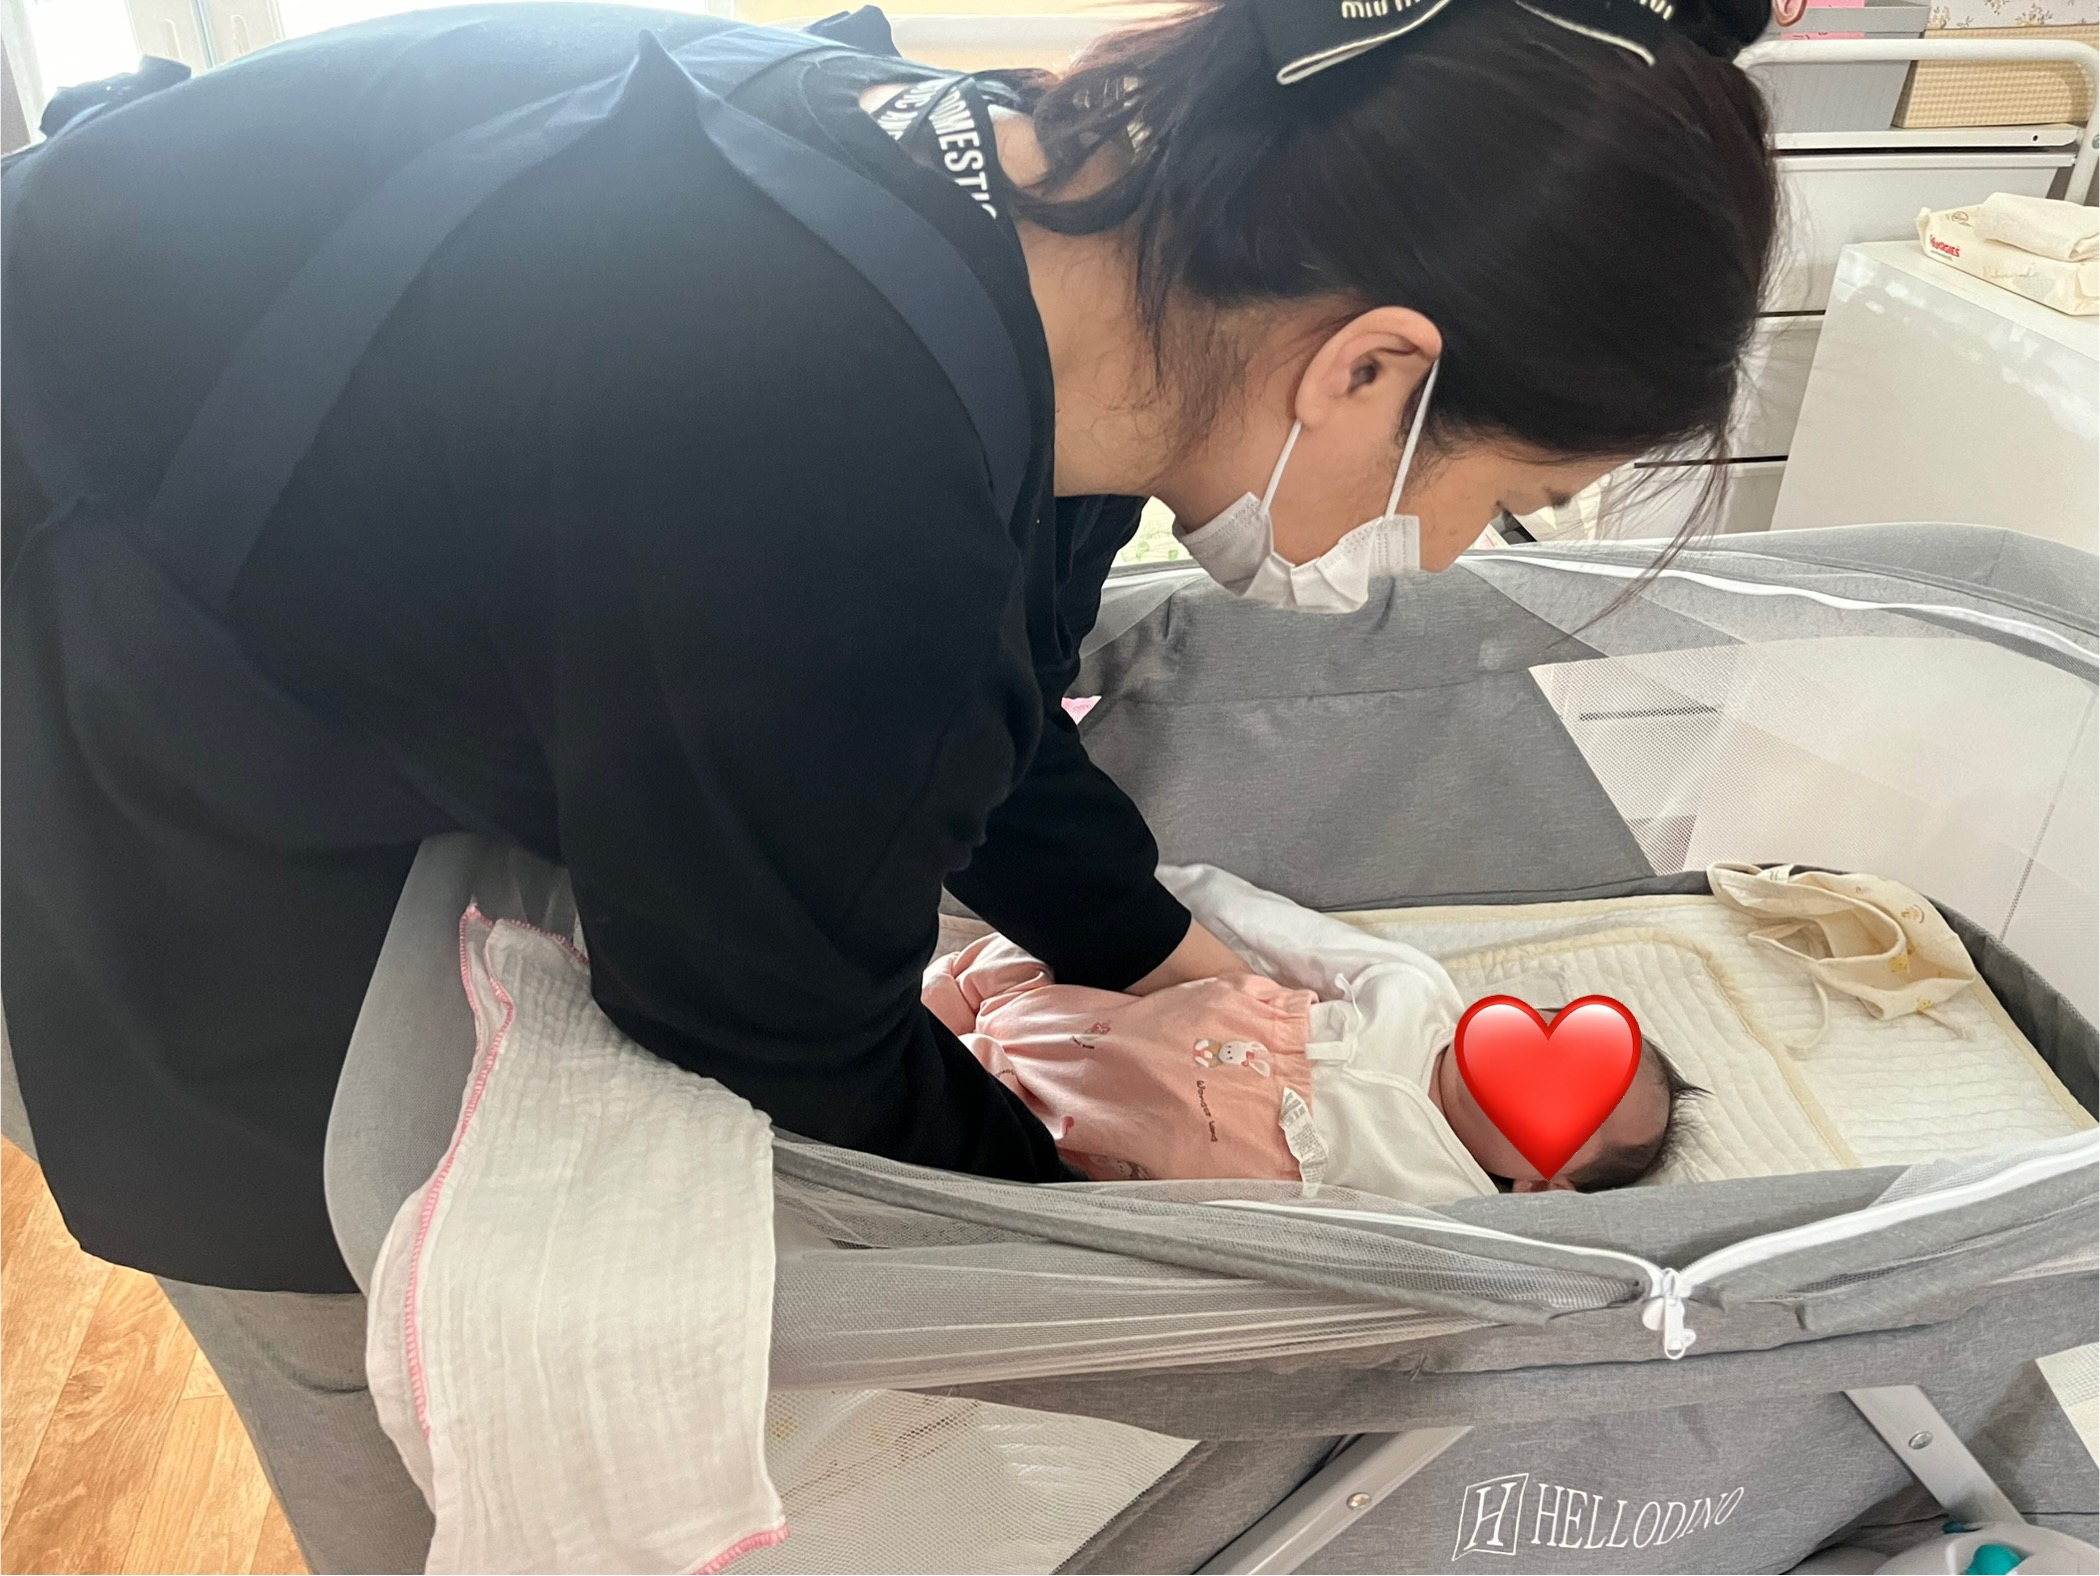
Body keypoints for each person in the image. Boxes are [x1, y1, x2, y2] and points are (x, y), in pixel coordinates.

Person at [4, 0, 1773, 1304]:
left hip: (232, 375)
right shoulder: (814, 461)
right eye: (1509, 500)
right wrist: (1077, 1241)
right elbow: (768, 1015)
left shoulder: (1076, 255)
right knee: (371, 1273)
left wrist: (1153, 948)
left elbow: (971, 702)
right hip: (105, 597)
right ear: (1372, 370)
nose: (1445, 554)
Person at [924, 870, 1704, 1197]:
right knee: (1029, 977)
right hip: (1155, 1028)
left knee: (984, 1138)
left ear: (1541, 1184)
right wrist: (1178, 892)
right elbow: (1286, 935)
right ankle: (943, 1001)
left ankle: (923, 1078)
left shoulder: (1452, 1196)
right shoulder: (1419, 993)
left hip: (1130, 1153)